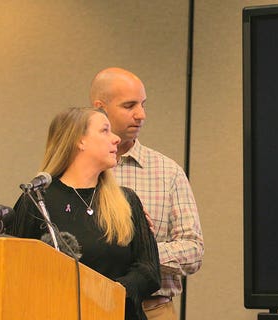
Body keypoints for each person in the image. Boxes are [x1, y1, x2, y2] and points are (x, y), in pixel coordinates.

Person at [10, 107, 161, 319]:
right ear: (79, 141)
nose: (116, 139)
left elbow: (150, 270)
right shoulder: (37, 201)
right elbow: (17, 272)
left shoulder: (126, 200)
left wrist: (112, 291)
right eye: (105, 130)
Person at [90, 67, 204, 319]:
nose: (141, 115)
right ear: (100, 108)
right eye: (129, 105)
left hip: (152, 309)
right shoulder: (77, 170)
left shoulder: (167, 171)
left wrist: (141, 251)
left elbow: (193, 251)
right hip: (86, 307)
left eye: (142, 104)